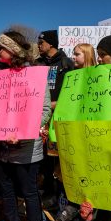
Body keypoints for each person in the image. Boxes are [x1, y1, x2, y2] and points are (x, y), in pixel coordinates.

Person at [0, 30, 52, 221]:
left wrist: (22, 132)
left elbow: (43, 111)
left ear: (13, 51)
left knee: (30, 192)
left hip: (25, 149)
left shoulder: (34, 75)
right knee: (6, 191)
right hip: (2, 148)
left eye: (2, 47)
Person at [34, 30, 74, 207]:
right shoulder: (37, 63)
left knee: (56, 156)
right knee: (41, 156)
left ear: (50, 43)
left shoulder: (66, 63)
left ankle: (57, 195)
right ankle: (44, 189)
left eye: (41, 42)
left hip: (58, 116)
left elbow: (72, 92)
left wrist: (53, 104)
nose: (38, 45)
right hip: (39, 116)